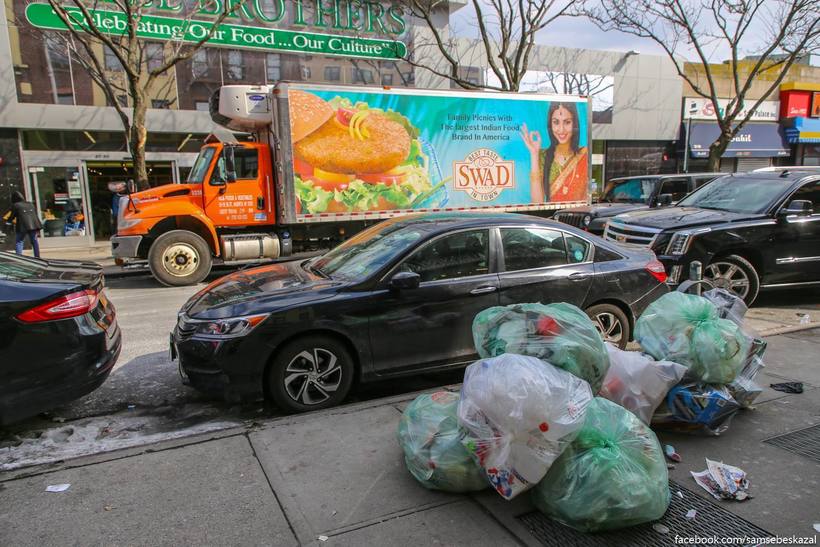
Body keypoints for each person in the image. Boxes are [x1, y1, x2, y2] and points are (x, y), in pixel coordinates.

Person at [520, 102, 588, 203]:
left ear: (575, 124)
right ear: (550, 124)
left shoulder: (584, 155)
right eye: (556, 122)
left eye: (567, 122)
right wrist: (534, 154)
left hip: (579, 215)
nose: (561, 129)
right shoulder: (543, 156)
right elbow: (537, 202)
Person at [8, 191, 42, 257]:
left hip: (22, 226)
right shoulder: (30, 204)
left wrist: (8, 223)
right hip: (33, 226)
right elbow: (34, 215)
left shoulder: (16, 205)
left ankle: (19, 257)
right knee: (34, 242)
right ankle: (37, 257)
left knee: (19, 241)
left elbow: (11, 216)